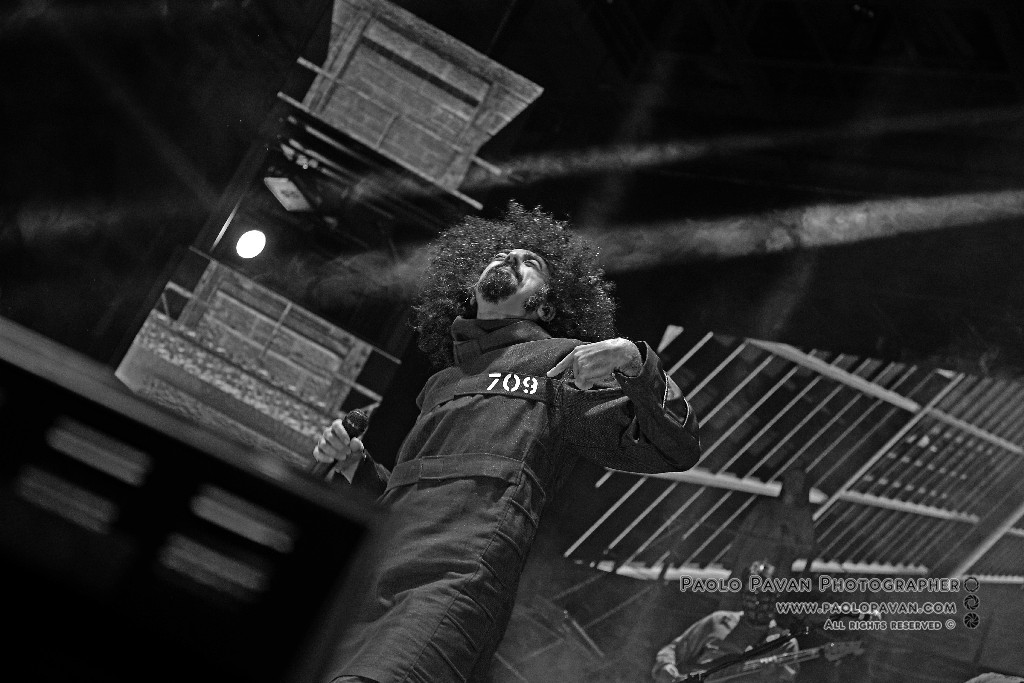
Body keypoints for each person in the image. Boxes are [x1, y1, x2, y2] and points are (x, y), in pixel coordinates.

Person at [313, 202, 701, 683]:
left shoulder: (563, 364)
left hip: (449, 586)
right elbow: (405, 497)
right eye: (501, 254)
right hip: (368, 577)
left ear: (546, 307)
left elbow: (678, 447)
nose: (508, 258)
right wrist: (357, 466)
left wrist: (634, 361)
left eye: (529, 262)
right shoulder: (440, 385)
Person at [652, 561, 799, 683]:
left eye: (763, 595)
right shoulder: (718, 621)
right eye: (751, 594)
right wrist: (667, 666)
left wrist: (769, 676)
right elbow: (674, 649)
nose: (757, 602)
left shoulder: (785, 643)